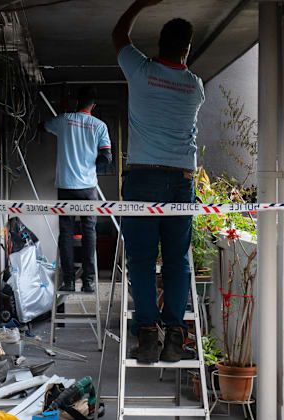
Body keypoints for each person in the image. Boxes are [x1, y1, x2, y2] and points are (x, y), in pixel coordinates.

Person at [112, 0, 205, 363]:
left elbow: (119, 35)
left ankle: (148, 334)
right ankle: (176, 335)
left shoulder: (139, 70)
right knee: (177, 261)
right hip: (182, 180)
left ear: (158, 45)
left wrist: (139, 4)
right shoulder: (195, 87)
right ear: (187, 49)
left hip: (143, 178)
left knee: (141, 259)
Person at [43, 86, 112, 293]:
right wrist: (93, 167)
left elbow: (44, 127)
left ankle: (70, 281)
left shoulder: (63, 120)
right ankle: (89, 281)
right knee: (89, 232)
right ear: (93, 105)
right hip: (88, 188)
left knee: (66, 232)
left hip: (65, 187)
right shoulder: (100, 126)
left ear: (77, 102)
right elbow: (106, 157)